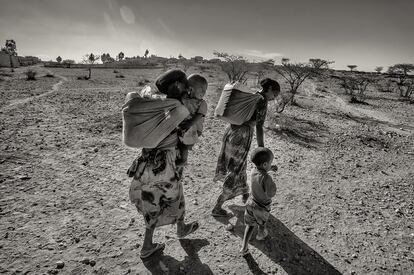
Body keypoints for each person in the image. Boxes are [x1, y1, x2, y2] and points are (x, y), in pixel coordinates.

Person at [127, 69, 199, 259]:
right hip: (165, 165)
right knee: (176, 197)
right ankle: (180, 228)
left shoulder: (156, 104)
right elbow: (187, 138)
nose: (187, 89)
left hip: (146, 163)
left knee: (152, 201)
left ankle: (148, 245)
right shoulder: (176, 109)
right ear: (177, 85)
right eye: (185, 84)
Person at [212, 78, 281, 217]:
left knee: (238, 165)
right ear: (269, 89)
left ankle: (244, 192)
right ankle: (217, 207)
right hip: (242, 135)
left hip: (231, 131)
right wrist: (263, 150)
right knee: (236, 168)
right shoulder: (262, 101)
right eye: (275, 94)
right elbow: (259, 126)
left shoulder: (254, 95)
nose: (275, 97)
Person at [240, 147, 277, 256]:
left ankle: (244, 248)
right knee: (261, 222)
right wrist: (272, 184)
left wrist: (269, 169)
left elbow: (260, 173)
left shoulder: (253, 171)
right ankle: (261, 234)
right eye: (270, 163)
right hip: (261, 208)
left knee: (250, 225)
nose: (271, 164)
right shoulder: (267, 178)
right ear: (265, 164)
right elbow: (271, 193)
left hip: (250, 204)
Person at [176, 74, 208, 166]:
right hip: (186, 126)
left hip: (194, 127)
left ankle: (183, 160)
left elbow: (199, 116)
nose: (203, 93)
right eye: (201, 90)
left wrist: (189, 124)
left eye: (205, 91)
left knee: (184, 145)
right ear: (190, 89)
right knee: (179, 142)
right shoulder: (186, 99)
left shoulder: (202, 103)